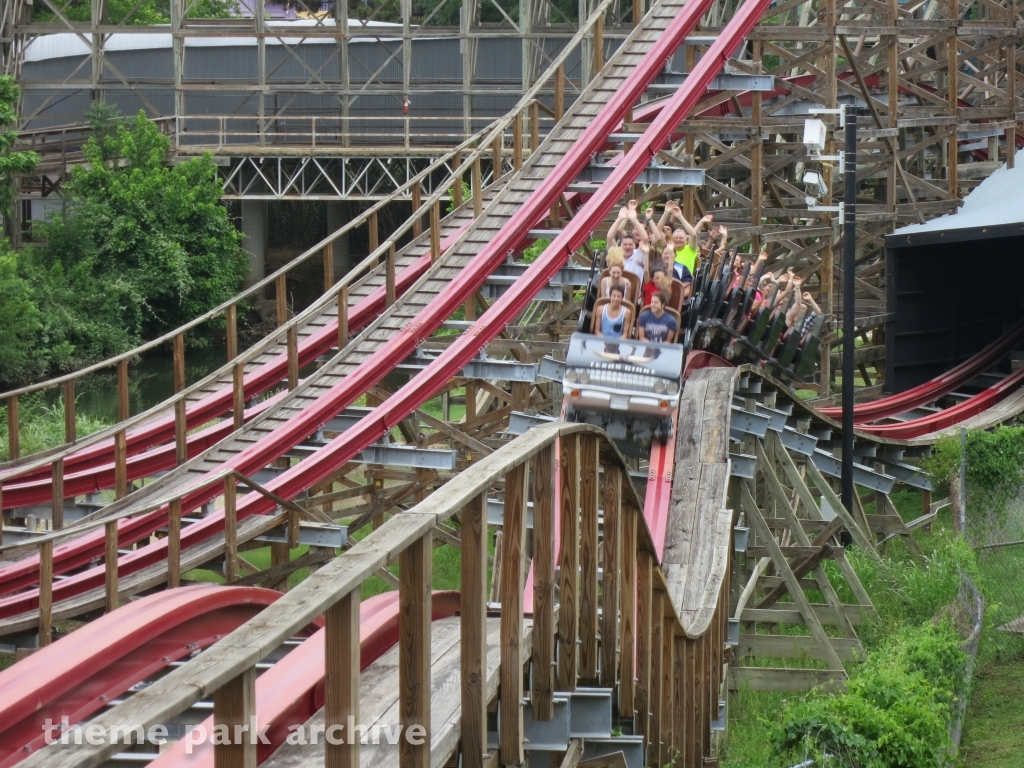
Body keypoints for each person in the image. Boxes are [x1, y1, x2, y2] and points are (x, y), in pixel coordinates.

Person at [607, 200, 650, 282]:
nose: (627, 247)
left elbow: (645, 238)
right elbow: (610, 237)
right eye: (625, 244)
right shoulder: (616, 254)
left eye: (630, 244)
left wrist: (634, 219)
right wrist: (620, 218)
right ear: (620, 245)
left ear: (634, 245)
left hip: (634, 292)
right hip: (615, 292)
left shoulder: (637, 255)